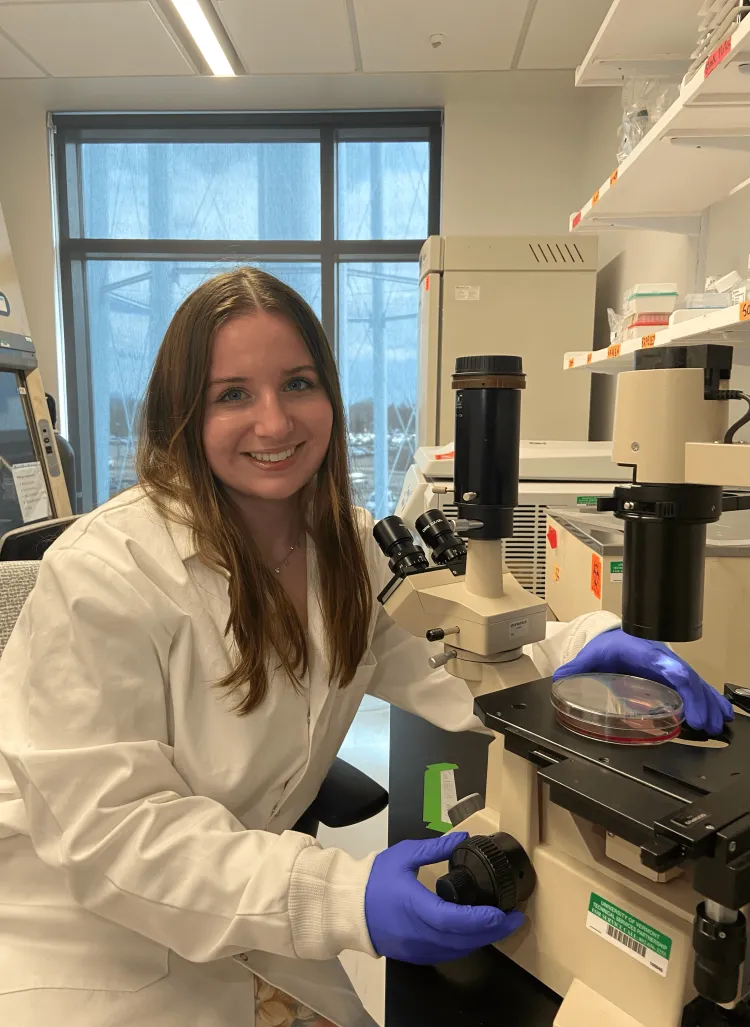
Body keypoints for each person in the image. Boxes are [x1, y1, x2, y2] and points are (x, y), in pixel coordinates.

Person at [0, 268, 732, 1027]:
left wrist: (595, 649)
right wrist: (341, 897)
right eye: (233, 394)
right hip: (82, 938)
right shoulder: (101, 575)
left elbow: (447, 657)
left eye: (298, 383)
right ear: (183, 413)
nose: (276, 422)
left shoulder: (343, 542)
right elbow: (111, 832)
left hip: (244, 911)